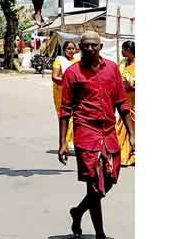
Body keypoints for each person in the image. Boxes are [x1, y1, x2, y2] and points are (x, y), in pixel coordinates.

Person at [59, 31, 134, 239]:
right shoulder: (73, 73)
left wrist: (132, 134)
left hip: (109, 132)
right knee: (93, 185)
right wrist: (63, 142)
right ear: (80, 48)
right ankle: (100, 234)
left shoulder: (112, 69)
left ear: (100, 47)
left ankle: (78, 211)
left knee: (109, 179)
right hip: (85, 132)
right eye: (86, 46)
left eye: (94, 45)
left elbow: (122, 103)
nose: (90, 49)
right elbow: (65, 110)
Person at [52, 41, 80, 150]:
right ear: (64, 50)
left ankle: (70, 142)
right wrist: (67, 82)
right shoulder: (59, 60)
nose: (71, 51)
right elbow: (54, 77)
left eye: (73, 48)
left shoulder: (78, 60)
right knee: (64, 116)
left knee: (75, 117)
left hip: (76, 92)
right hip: (61, 92)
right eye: (68, 48)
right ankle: (65, 143)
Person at [116, 41, 136, 167]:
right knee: (122, 126)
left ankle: (132, 155)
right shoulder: (123, 63)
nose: (121, 52)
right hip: (124, 100)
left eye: (123, 49)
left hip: (135, 100)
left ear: (128, 50)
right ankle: (123, 154)